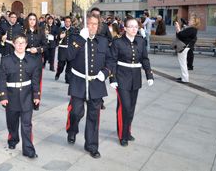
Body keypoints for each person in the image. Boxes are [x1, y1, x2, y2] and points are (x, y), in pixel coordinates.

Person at [65, 13, 112, 159]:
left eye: (95, 24)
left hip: (96, 83)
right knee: (76, 112)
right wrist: (81, 38)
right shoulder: (76, 38)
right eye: (89, 23)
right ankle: (72, 130)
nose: (92, 26)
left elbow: (110, 61)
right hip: (79, 81)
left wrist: (105, 72)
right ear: (84, 25)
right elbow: (68, 56)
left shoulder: (103, 41)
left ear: (98, 26)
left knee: (94, 116)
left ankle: (91, 145)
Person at [110, 17, 154, 147]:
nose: (134, 29)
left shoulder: (140, 41)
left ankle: (127, 130)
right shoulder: (117, 42)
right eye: (131, 26)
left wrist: (149, 75)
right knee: (125, 106)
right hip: (122, 78)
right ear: (125, 28)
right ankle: (122, 135)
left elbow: (145, 59)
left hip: (135, 78)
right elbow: (112, 60)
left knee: (132, 108)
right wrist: (112, 78)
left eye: (136, 26)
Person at [0, 33, 41, 158]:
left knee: (27, 124)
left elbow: (35, 80)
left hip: (27, 96)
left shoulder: (32, 61)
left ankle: (28, 149)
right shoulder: (6, 60)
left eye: (23, 42)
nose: (20, 45)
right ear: (13, 44)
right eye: (17, 42)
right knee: (12, 122)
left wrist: (36, 96)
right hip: (11, 96)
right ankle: (13, 139)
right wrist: (3, 96)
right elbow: (1, 79)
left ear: (26, 45)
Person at [24, 13, 48, 109]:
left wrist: (38, 50)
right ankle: (26, 101)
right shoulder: (23, 32)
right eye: (30, 19)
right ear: (27, 21)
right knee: (26, 81)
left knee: (37, 82)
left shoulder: (40, 32)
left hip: (37, 60)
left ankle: (36, 101)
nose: (32, 21)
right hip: (26, 59)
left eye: (34, 19)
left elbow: (45, 46)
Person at [175, 16, 199, 83]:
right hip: (185, 46)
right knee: (183, 63)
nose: (189, 21)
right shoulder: (192, 29)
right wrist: (178, 30)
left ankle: (185, 78)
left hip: (184, 46)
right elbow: (180, 35)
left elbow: (181, 35)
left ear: (194, 22)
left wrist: (178, 28)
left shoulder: (192, 29)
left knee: (183, 63)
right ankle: (184, 77)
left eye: (191, 20)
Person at [55, 16, 78, 83]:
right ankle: (58, 73)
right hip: (62, 49)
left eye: (69, 22)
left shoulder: (74, 30)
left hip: (70, 50)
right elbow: (55, 37)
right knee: (61, 65)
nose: (67, 23)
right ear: (64, 22)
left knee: (70, 65)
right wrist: (60, 36)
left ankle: (68, 79)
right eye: (66, 21)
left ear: (70, 22)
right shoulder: (60, 29)